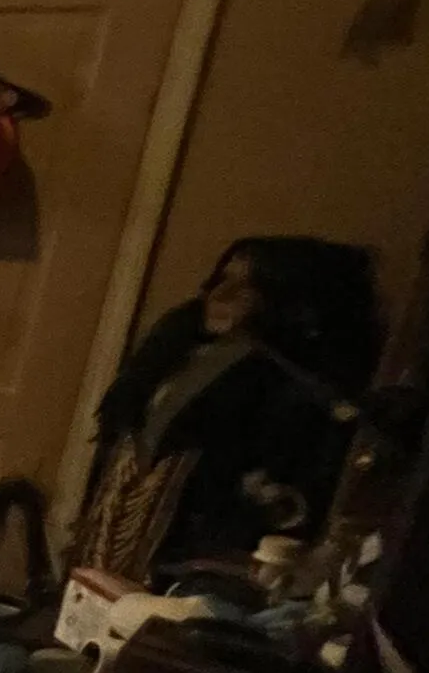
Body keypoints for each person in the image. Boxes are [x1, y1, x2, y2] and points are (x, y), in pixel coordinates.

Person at [68, 235, 382, 580]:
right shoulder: (175, 345)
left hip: (195, 563)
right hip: (117, 533)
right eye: (223, 279)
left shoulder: (291, 384)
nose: (221, 293)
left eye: (245, 288)